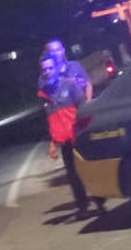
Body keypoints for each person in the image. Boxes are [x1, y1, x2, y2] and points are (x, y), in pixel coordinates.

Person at [38, 55, 106, 220]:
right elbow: (51, 120)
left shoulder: (69, 85)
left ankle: (100, 203)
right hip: (65, 141)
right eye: (44, 69)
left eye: (50, 68)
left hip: (78, 136)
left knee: (89, 170)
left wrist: (83, 130)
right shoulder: (44, 94)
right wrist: (53, 143)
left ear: (56, 69)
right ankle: (83, 208)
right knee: (73, 175)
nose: (47, 71)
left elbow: (83, 108)